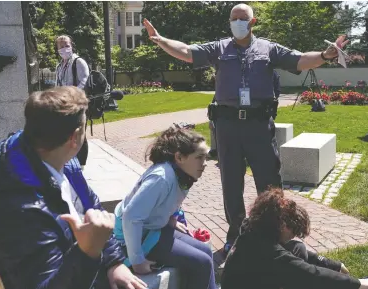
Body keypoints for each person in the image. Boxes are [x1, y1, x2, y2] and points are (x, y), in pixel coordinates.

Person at [142, 4, 348, 253]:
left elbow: (301, 60)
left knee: (270, 181)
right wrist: (159, 39)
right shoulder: (218, 48)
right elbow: (186, 51)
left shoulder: (269, 49)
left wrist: (326, 56)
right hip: (227, 127)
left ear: (253, 22)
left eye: (242, 19)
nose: (237, 22)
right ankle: (236, 233)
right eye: (233, 19)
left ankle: (273, 233)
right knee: (231, 182)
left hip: (259, 126)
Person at [0, 86, 146, 289]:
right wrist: (88, 252)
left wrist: (114, 263)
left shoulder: (60, 158)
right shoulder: (19, 204)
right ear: (74, 137)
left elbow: (92, 207)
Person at [114, 127, 218, 289]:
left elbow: (169, 201)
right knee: (202, 262)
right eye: (199, 158)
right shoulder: (161, 178)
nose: (204, 164)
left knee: (205, 251)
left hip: (153, 229)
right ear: (179, 157)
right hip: (136, 239)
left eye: (206, 158)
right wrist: (137, 261)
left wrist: (171, 219)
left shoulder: (182, 173)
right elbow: (131, 217)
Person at [221, 188, 368, 289]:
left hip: (246, 280)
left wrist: (334, 265)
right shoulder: (270, 254)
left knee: (298, 248)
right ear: (283, 225)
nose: (294, 236)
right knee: (303, 277)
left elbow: (298, 252)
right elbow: (313, 274)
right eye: (295, 231)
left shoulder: (253, 227)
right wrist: (358, 284)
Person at [209, 70, 281, 156]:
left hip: (258, 116)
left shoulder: (267, 69)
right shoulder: (230, 67)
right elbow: (220, 92)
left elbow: (275, 93)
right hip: (230, 117)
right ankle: (219, 149)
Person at [55, 35, 90, 169]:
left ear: (71, 46)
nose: (64, 49)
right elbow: (58, 84)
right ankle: (70, 159)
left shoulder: (78, 61)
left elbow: (84, 79)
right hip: (65, 104)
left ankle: (81, 164)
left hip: (78, 103)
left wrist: (73, 95)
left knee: (80, 132)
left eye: (66, 45)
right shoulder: (59, 66)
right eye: (61, 46)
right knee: (68, 132)